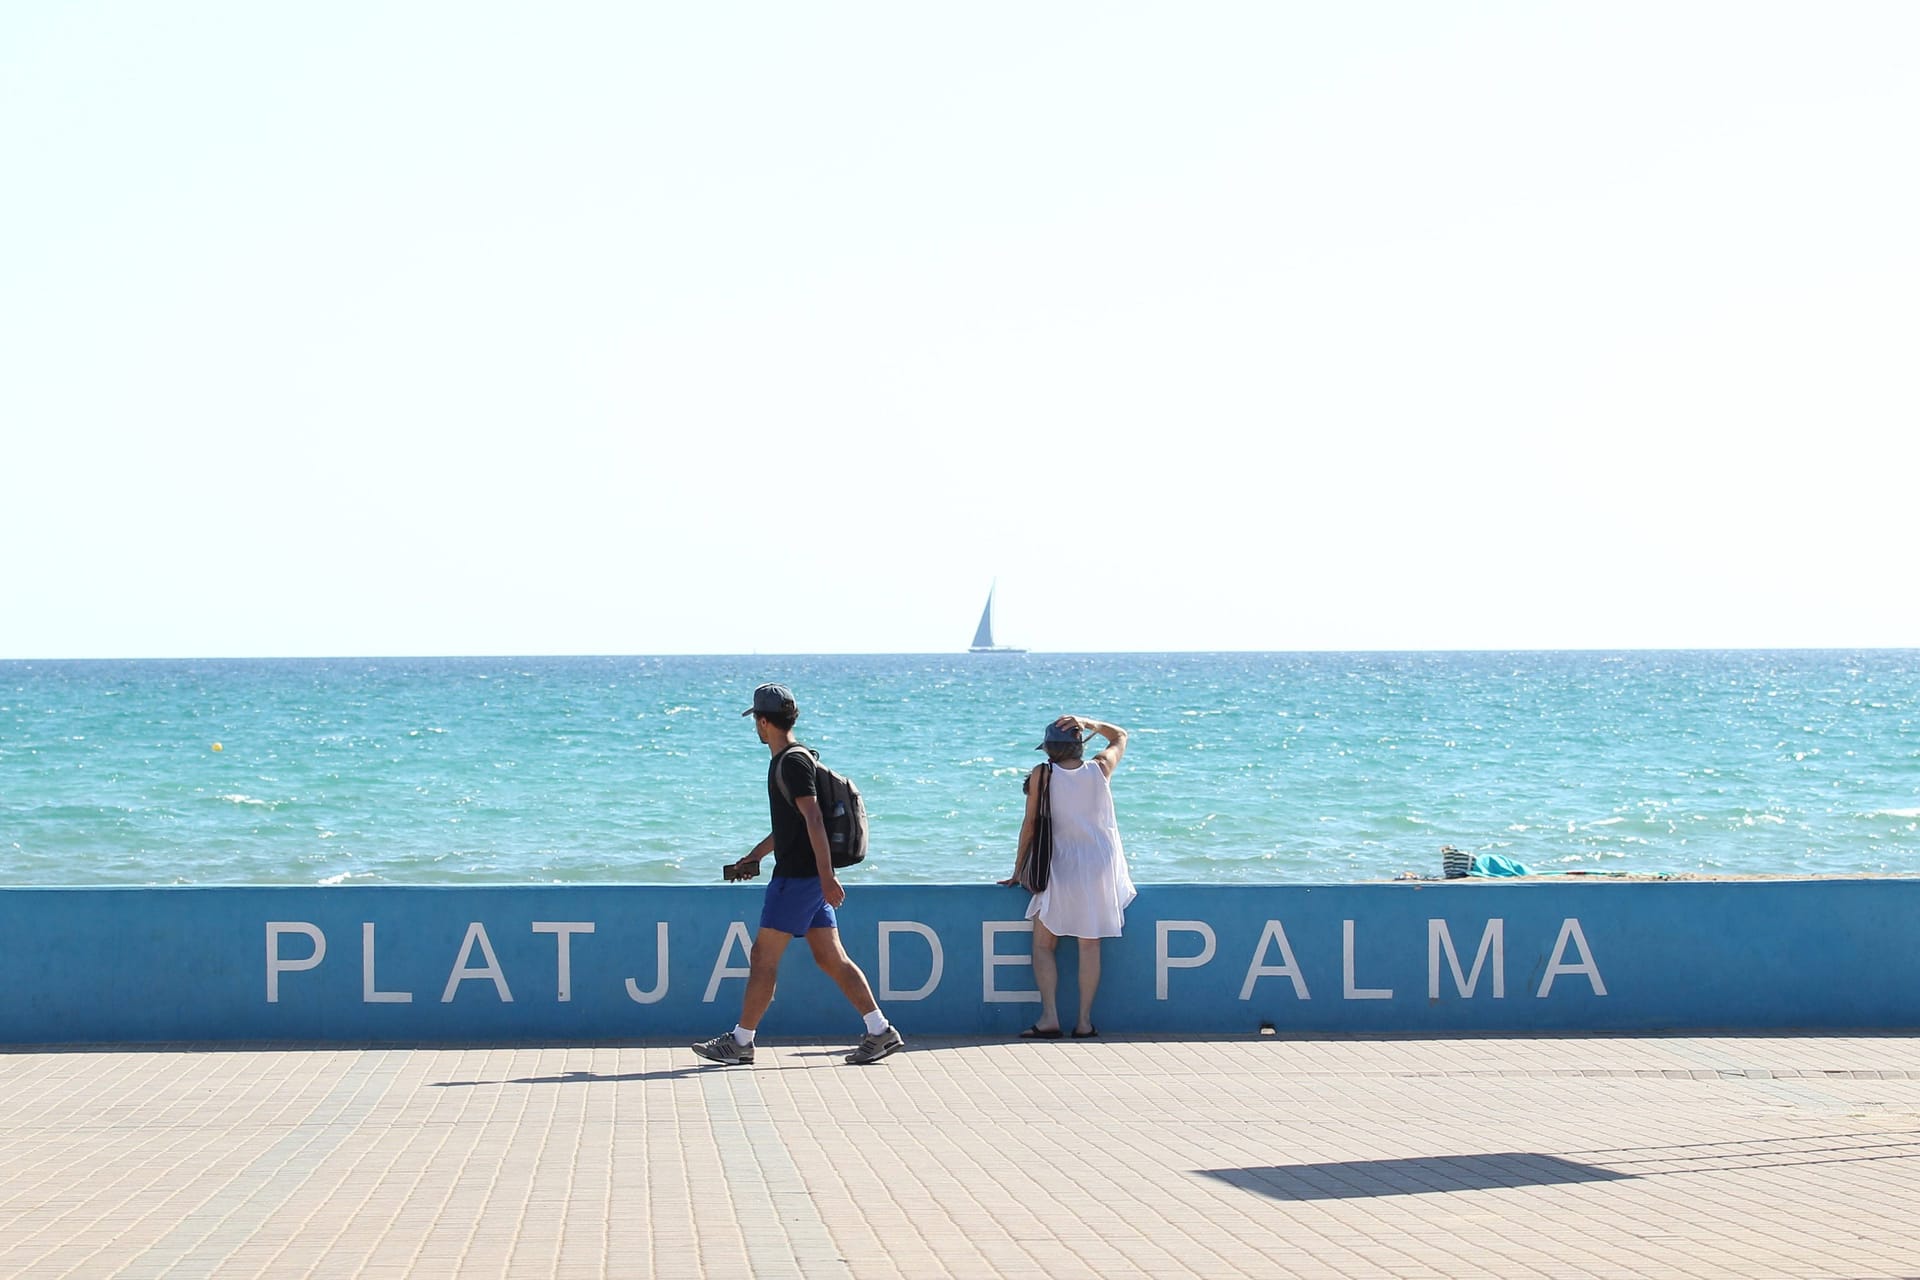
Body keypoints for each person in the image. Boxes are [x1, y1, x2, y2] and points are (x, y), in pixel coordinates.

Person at [692, 683, 904, 1067]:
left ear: (762, 721)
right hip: (805, 878)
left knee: (763, 957)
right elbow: (792, 826)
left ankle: (741, 1041)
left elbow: (813, 819)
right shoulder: (793, 759)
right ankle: (880, 1030)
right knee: (831, 958)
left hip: (799, 879)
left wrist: (826, 877)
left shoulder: (790, 762)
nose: (756, 728)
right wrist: (754, 857)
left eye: (756, 721)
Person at [1000, 714, 1135, 1039]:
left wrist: (1018, 871)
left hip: (1061, 863)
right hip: (1099, 864)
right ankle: (1085, 1022)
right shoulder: (1100, 768)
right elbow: (1120, 736)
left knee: (1044, 945)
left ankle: (1049, 1017)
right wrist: (1087, 722)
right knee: (1090, 946)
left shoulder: (1042, 775)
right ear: (1079, 746)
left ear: (1049, 748)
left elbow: (1030, 826)